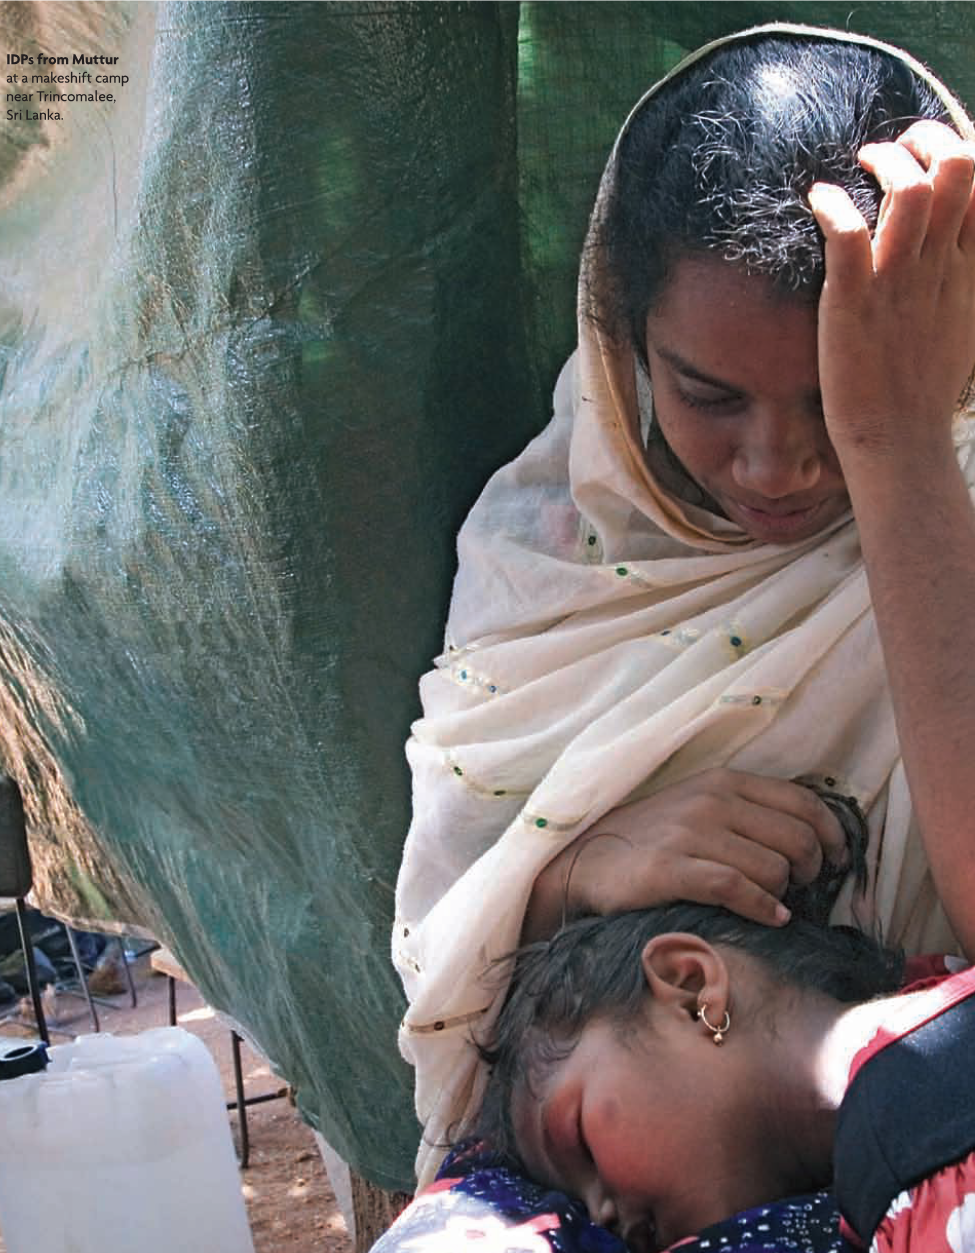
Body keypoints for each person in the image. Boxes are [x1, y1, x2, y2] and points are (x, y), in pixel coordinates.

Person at [393, 23, 975, 1187]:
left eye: (833, 403)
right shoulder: (549, 560)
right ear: (625, 347)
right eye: (710, 394)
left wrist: (903, 456)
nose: (776, 467)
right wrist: (573, 867)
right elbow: (445, 951)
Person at [475, 904, 975, 1253]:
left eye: (583, 1145)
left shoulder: (915, 1167)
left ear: (691, 990)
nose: (602, 1216)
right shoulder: (939, 1002)